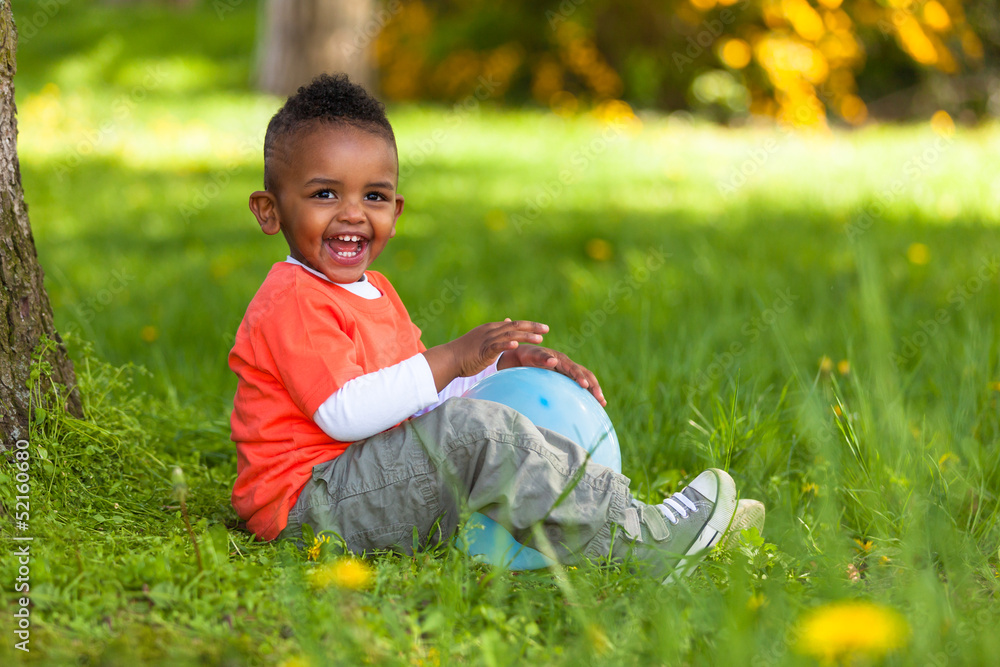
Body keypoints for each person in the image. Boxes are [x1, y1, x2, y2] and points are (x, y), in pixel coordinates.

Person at [228, 73, 764, 580]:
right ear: (269, 211)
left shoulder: (376, 291)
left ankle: (642, 520)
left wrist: (493, 370)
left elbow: (419, 401)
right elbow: (345, 413)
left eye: (374, 196)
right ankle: (647, 541)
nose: (352, 214)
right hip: (308, 505)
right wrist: (450, 358)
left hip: (366, 481)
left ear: (397, 207)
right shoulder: (291, 300)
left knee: (482, 421)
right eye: (324, 194)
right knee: (474, 433)